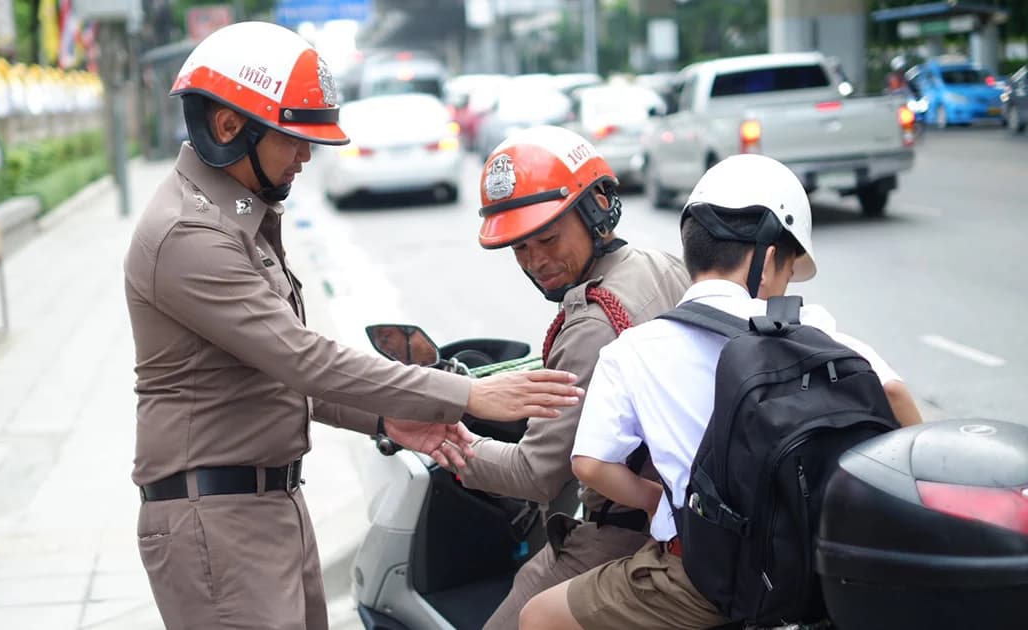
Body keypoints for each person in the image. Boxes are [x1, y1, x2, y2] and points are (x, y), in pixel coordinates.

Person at [123, 22, 585, 630]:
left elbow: (266, 374)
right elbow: (302, 358)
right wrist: (470, 393)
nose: (305, 156)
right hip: (216, 518)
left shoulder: (235, 216)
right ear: (231, 128)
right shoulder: (190, 235)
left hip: (265, 504)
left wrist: (382, 417)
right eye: (292, 138)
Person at [518, 153, 923, 630]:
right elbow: (894, 395)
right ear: (771, 257)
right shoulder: (815, 329)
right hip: (816, 564)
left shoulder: (635, 349)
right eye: (791, 272)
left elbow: (588, 464)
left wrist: (653, 501)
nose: (787, 285)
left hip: (702, 580)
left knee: (539, 615)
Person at [394, 126, 690, 629]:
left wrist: (449, 445)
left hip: (620, 538)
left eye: (548, 238)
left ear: (597, 210)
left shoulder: (593, 319)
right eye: (519, 249)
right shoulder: (660, 266)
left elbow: (536, 475)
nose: (536, 262)